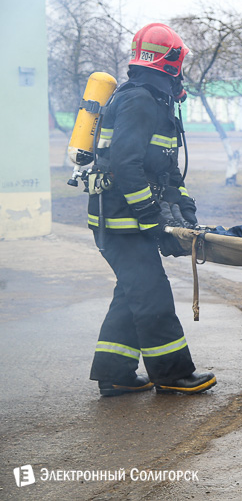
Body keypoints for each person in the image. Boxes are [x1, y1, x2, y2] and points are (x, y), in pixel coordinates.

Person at [88, 23, 216, 397]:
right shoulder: (139, 100)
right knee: (151, 295)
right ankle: (172, 374)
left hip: (126, 221)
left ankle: (115, 374)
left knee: (132, 295)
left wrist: (185, 208)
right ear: (172, 61)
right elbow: (125, 166)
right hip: (120, 223)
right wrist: (151, 219)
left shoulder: (155, 101)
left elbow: (166, 167)